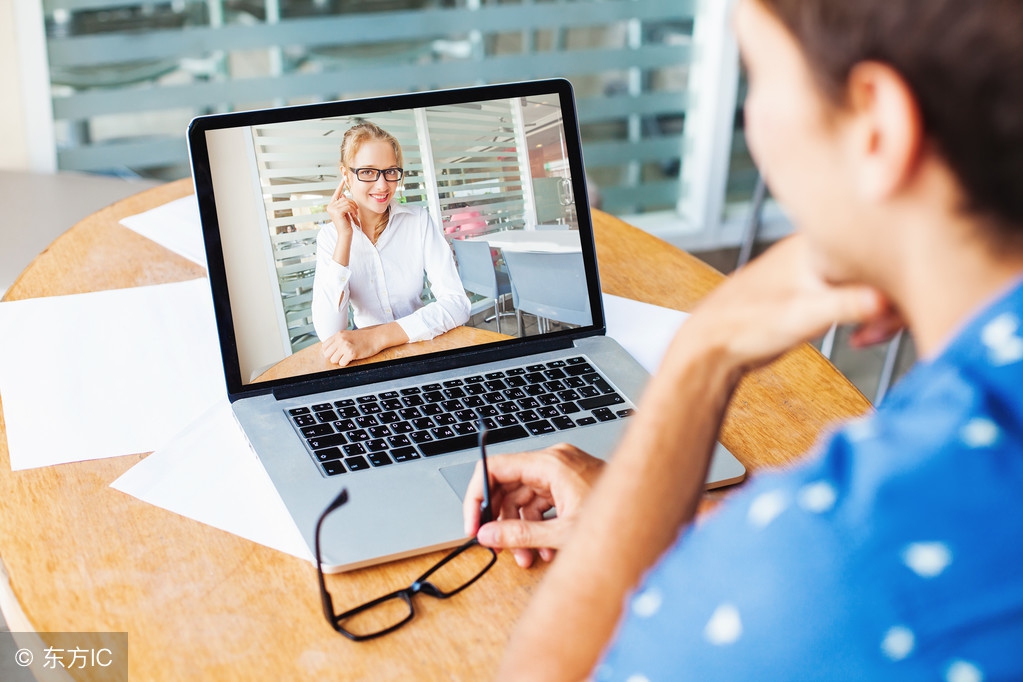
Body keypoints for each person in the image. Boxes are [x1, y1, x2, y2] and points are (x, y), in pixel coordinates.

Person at [462, 0, 1023, 679]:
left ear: (877, 127)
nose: (751, 124)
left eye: (757, 75)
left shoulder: (838, 557)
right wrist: (653, 514)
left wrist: (700, 357)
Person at [311, 121, 470, 366]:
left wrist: (378, 337)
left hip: (420, 342)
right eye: (367, 172)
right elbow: (329, 333)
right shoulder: (330, 237)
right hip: (364, 358)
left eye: (391, 171)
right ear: (346, 176)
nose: (383, 185)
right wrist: (344, 237)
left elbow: (458, 303)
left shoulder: (417, 221)